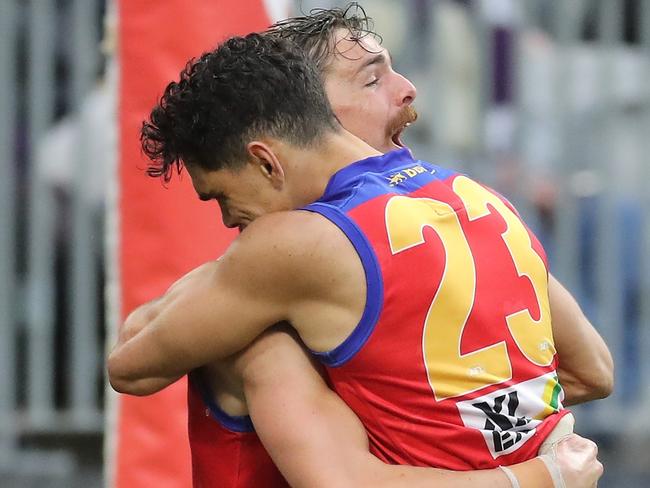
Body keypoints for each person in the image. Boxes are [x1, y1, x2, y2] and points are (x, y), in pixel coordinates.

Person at [107, 27, 604, 486]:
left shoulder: (292, 248)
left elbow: (131, 365)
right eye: (372, 78)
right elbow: (591, 372)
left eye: (219, 196)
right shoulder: (479, 200)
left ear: (265, 159)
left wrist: (531, 479)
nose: (228, 219)